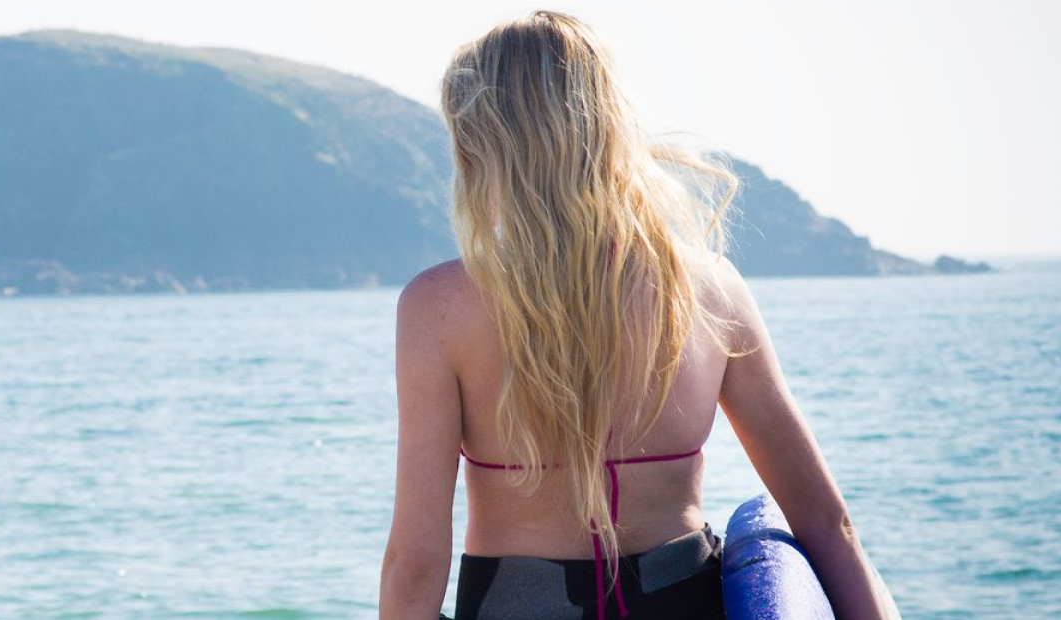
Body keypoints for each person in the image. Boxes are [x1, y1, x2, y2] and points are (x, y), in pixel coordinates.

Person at [376, 10, 901, 620]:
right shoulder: (709, 291)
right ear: (610, 126)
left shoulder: (440, 308)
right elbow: (826, 523)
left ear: (482, 146)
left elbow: (416, 565)